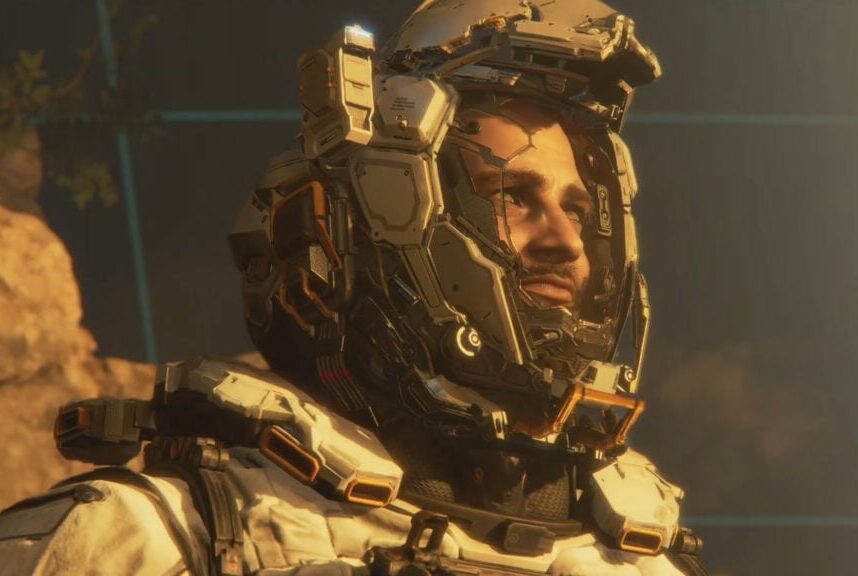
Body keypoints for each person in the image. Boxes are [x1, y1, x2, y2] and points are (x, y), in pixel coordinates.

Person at [0, 2, 709, 574]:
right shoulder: (152, 538)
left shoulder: (640, 559)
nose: (567, 241)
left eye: (577, 210)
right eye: (512, 196)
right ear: (389, 215)